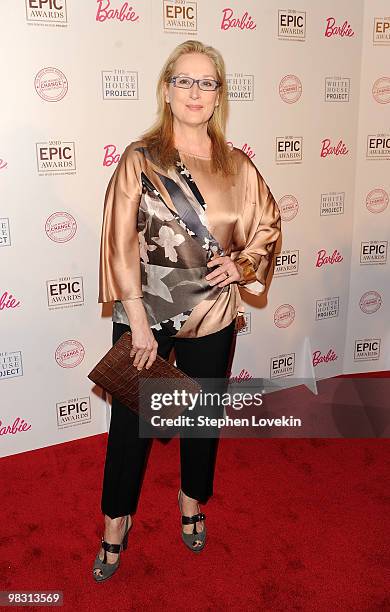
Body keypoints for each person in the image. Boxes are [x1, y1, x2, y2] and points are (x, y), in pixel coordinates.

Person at [93, 40, 281, 581]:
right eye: (185, 81)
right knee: (130, 424)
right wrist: (138, 322)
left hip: (214, 317)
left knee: (201, 418)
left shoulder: (237, 165)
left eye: (207, 83)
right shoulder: (140, 159)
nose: (195, 92)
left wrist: (243, 267)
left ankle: (192, 499)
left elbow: (267, 227)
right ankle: (114, 521)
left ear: (219, 95)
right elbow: (118, 241)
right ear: (167, 89)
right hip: (144, 314)